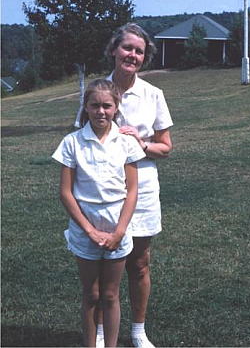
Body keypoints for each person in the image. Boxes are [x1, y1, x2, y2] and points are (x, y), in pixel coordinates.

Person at [52, 79, 146, 348]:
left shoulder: (126, 143)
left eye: (107, 106)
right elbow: (66, 193)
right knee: (91, 294)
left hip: (118, 230)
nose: (101, 111)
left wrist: (118, 232)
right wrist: (90, 231)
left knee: (110, 295)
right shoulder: (72, 142)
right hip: (85, 231)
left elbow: (132, 191)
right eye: (95, 105)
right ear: (86, 107)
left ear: (116, 108)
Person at [97, 23, 173, 348]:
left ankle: (138, 331)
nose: (132, 55)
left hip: (142, 187)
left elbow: (165, 146)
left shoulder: (153, 95)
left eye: (139, 51)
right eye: (127, 48)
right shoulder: (98, 92)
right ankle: (101, 331)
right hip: (104, 189)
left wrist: (141, 143)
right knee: (105, 262)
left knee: (139, 263)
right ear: (114, 50)